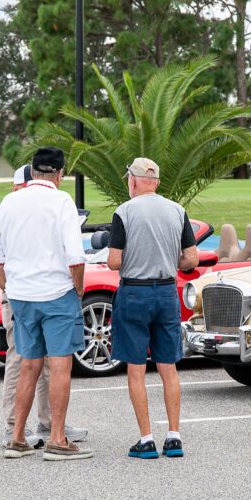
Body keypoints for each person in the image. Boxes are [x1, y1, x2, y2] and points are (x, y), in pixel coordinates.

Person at [0, 147, 92, 461]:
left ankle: (17, 438)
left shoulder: (10, 201)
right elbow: (75, 257)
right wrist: (78, 289)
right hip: (56, 293)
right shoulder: (62, 201)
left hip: (21, 295)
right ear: (60, 174)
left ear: (33, 170)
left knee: (28, 364)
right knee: (61, 365)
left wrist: (12, 286)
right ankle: (57, 439)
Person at [107, 158, 198, 459]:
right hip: (166, 292)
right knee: (168, 366)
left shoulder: (124, 211)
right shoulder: (177, 210)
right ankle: (174, 436)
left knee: (136, 367)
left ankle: (146, 439)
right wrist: (169, 260)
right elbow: (191, 259)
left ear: (132, 181)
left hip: (135, 292)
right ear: (157, 182)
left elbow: (114, 261)